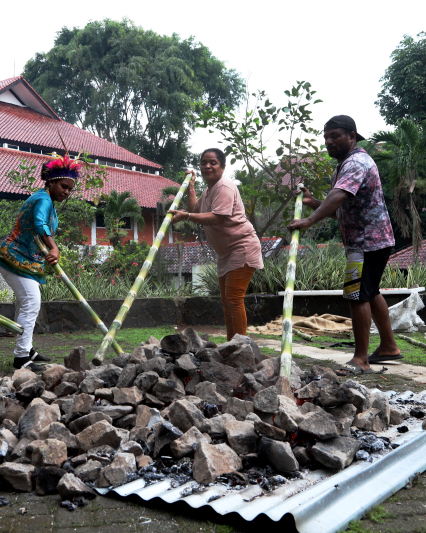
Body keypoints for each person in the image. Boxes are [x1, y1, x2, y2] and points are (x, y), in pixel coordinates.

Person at [286, 115, 401, 375]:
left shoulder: (356, 162)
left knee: (356, 294)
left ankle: (360, 359)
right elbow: (339, 207)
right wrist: (314, 202)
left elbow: (338, 196)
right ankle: (389, 347)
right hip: (368, 241)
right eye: (326, 137)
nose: (329, 141)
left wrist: (308, 221)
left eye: (335, 136)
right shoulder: (343, 166)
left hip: (367, 242)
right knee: (371, 292)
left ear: (352, 136)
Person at [170, 148, 263, 340]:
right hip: (225, 253)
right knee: (227, 301)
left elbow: (217, 218)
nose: (207, 166)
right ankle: (232, 344)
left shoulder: (224, 187)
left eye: (212, 162)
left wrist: (186, 216)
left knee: (234, 300)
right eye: (204, 163)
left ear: (222, 166)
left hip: (242, 247)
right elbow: (195, 209)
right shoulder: (209, 191)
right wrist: (191, 187)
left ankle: (240, 346)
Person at [0, 154, 77, 370]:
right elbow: (41, 223)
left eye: (70, 189)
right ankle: (21, 358)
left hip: (24, 261)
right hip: (15, 258)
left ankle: (27, 349)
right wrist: (54, 247)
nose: (66, 192)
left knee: (27, 303)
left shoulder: (47, 199)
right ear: (51, 182)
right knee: (31, 302)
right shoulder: (43, 199)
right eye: (63, 186)